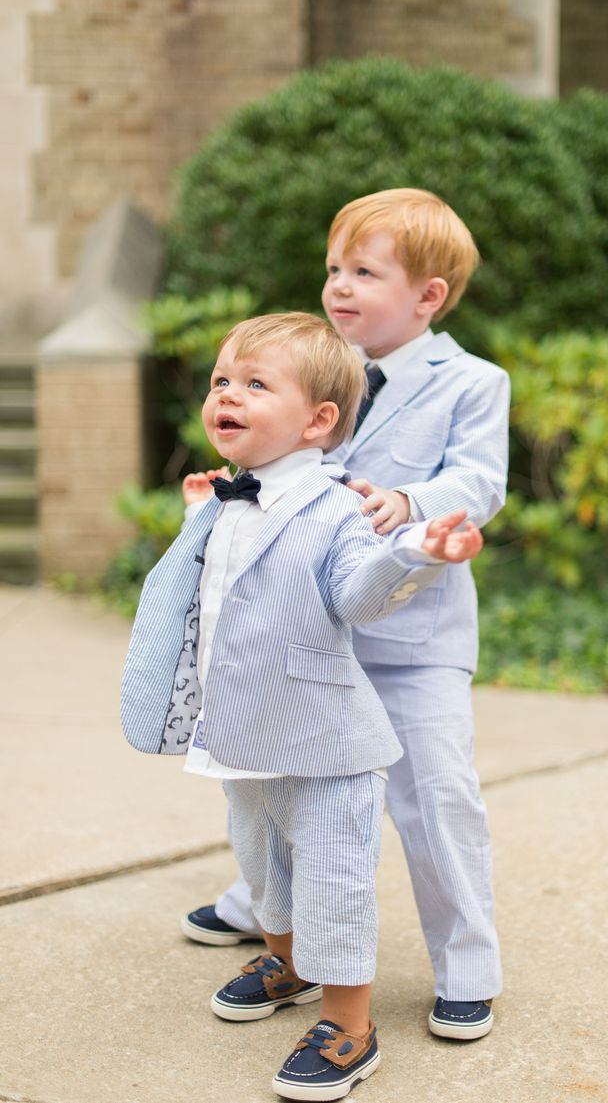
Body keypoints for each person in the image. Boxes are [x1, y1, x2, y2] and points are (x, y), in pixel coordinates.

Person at [120, 311, 484, 1101]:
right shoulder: (225, 500)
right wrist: (195, 517)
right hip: (242, 730)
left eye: (256, 383)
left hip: (323, 742)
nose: (228, 393)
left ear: (318, 420)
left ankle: (351, 1026)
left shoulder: (333, 508)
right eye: (222, 380)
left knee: (333, 877)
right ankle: (286, 963)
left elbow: (356, 594)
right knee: (263, 863)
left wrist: (414, 551)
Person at [183, 188, 511, 1043]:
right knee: (276, 785)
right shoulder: (309, 364)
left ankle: (467, 964)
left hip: (412, 637)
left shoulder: (470, 382)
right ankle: (263, 912)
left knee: (435, 795)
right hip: (309, 633)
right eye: (334, 268)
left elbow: (479, 483)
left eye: (363, 272)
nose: (339, 285)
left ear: (427, 296)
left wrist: (407, 500)